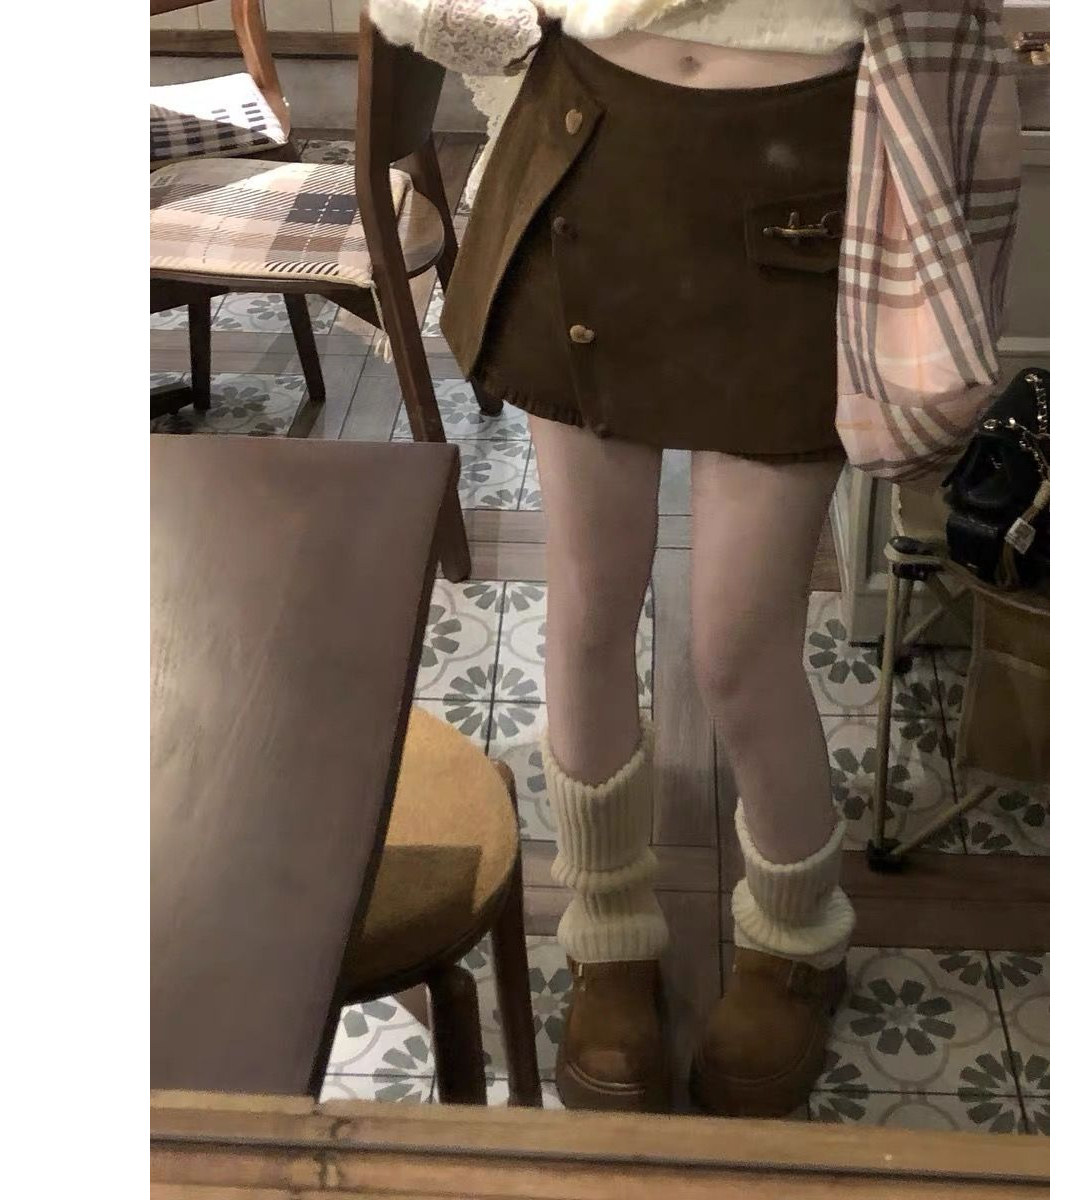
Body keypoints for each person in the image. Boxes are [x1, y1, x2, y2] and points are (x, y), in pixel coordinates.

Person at [369, 0, 881, 1117]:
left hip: (807, 179)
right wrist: (499, 32)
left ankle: (798, 936)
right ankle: (607, 930)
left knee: (741, 648)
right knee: (592, 605)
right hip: (592, 154)